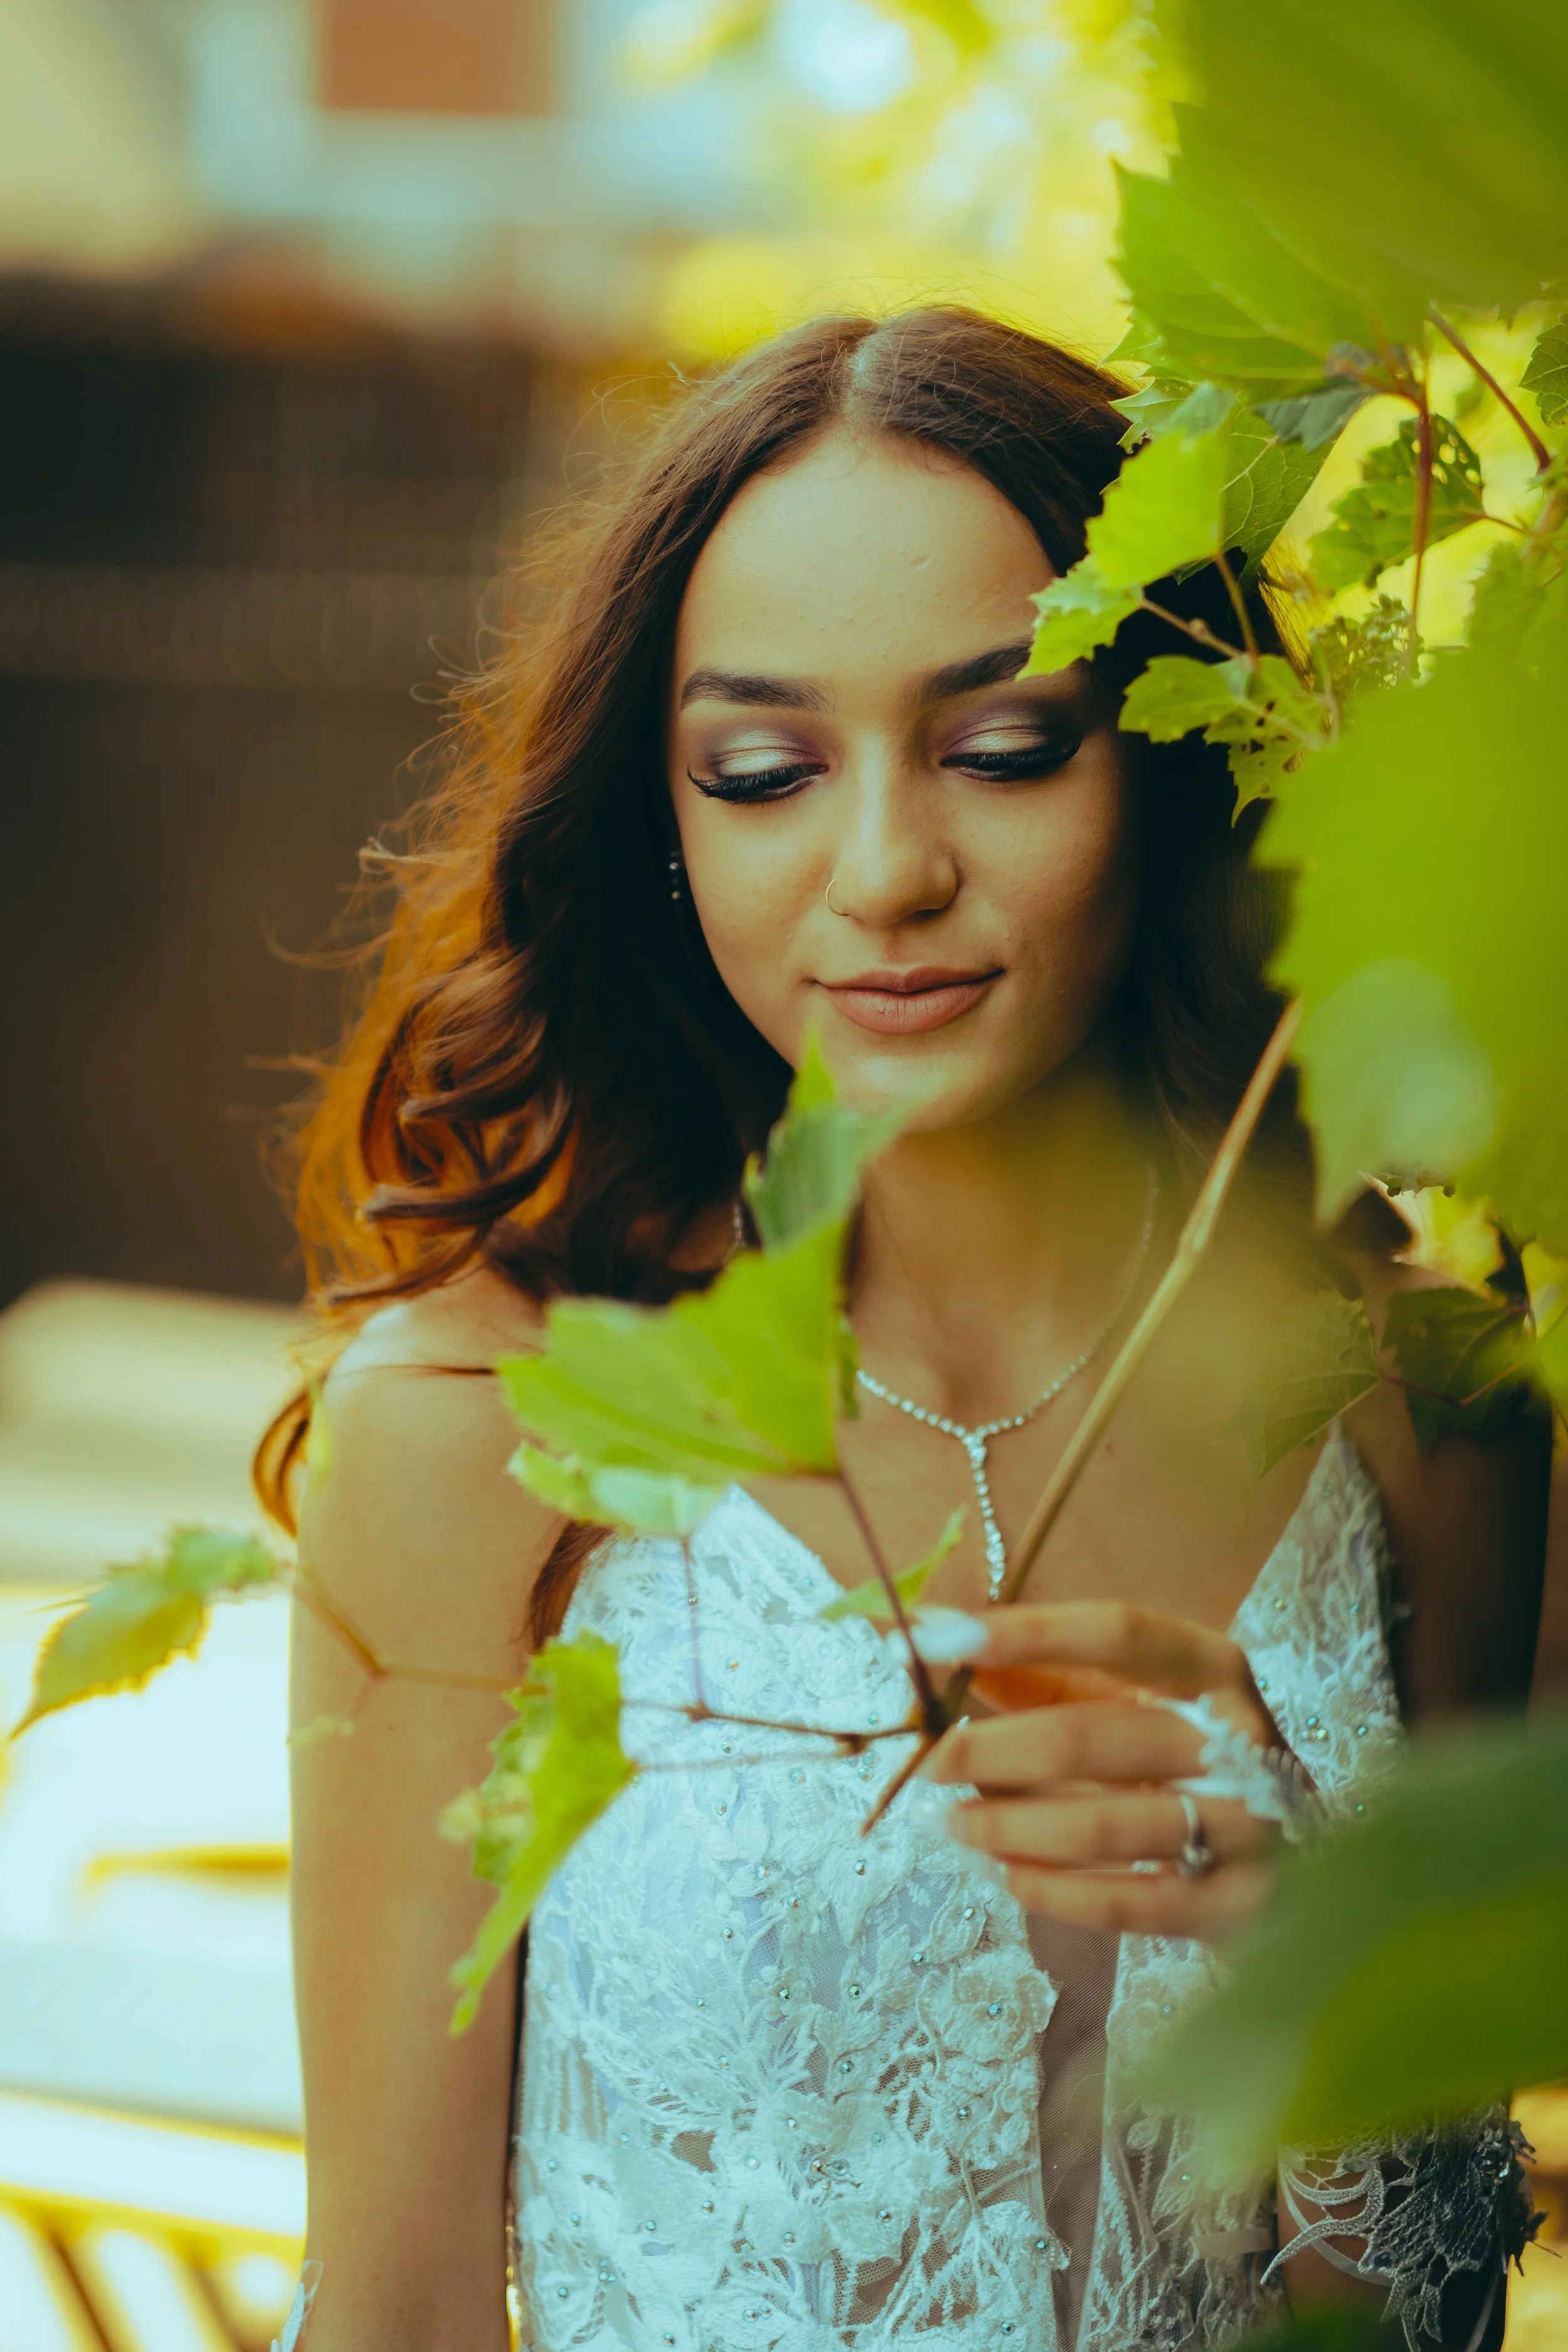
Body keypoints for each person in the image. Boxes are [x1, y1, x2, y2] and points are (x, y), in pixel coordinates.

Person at [265, 310, 1547, 2351]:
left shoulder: (1432, 1407)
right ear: (665, 827)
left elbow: (1429, 2298)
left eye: (1005, 743)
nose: (884, 872)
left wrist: (1311, 1945)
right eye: (763, 771)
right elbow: (398, 2318)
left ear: (1172, 754)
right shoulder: (470, 1435)